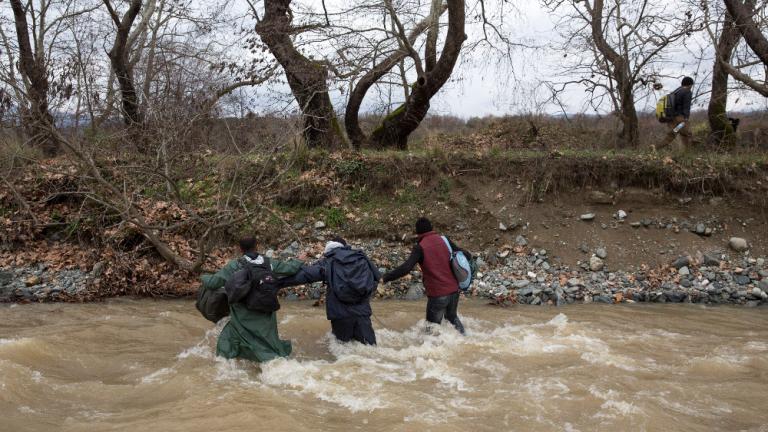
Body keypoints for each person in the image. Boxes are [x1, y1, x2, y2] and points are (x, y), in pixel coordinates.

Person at [200, 237, 301, 362]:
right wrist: (299, 260)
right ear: (257, 246)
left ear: (240, 249)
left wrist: (202, 277)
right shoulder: (268, 263)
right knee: (267, 341)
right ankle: (275, 362)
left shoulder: (235, 265)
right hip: (266, 311)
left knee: (228, 340)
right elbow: (290, 269)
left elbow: (212, 283)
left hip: (243, 314)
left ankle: (227, 364)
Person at [280, 237, 380, 345]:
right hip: (363, 314)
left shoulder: (328, 261)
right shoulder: (361, 258)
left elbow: (305, 275)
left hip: (340, 314)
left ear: (329, 247)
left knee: (343, 349)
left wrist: (277, 282)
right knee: (369, 347)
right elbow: (376, 279)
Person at [382, 217, 467, 334]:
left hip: (438, 294)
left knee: (431, 329)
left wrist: (385, 278)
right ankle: (465, 339)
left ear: (418, 232)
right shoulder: (444, 240)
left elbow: (406, 268)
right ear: (431, 228)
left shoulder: (420, 247)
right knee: (452, 318)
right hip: (454, 291)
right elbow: (464, 254)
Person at [658, 76, 694, 152]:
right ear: (689, 84)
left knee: (672, 134)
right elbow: (686, 106)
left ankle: (656, 148)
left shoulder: (676, 91)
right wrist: (686, 118)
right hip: (680, 120)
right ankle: (689, 153)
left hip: (672, 119)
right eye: (691, 85)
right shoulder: (687, 92)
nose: (691, 87)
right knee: (688, 134)